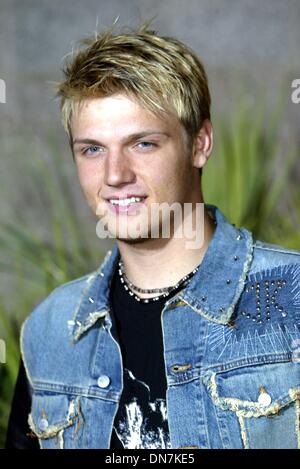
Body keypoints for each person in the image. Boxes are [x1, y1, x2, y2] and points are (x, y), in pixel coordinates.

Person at [6, 21, 300, 450]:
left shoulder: (291, 298)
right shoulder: (50, 331)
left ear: (200, 143)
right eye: (92, 149)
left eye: (142, 144)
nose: (115, 175)